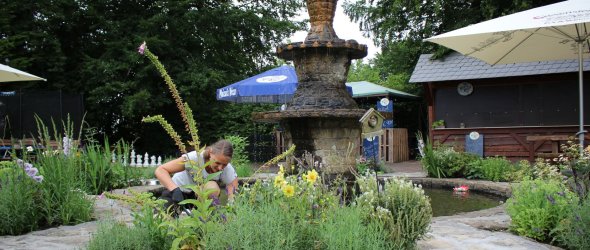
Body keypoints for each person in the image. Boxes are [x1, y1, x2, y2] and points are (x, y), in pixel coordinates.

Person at [155, 139, 238, 213]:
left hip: (198, 198)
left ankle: (205, 217)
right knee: (161, 215)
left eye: (224, 164)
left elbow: (233, 189)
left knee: (212, 188)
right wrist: (174, 189)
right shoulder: (194, 158)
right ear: (210, 153)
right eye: (217, 163)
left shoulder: (228, 169)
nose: (220, 168)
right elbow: (161, 170)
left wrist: (231, 208)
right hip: (177, 192)